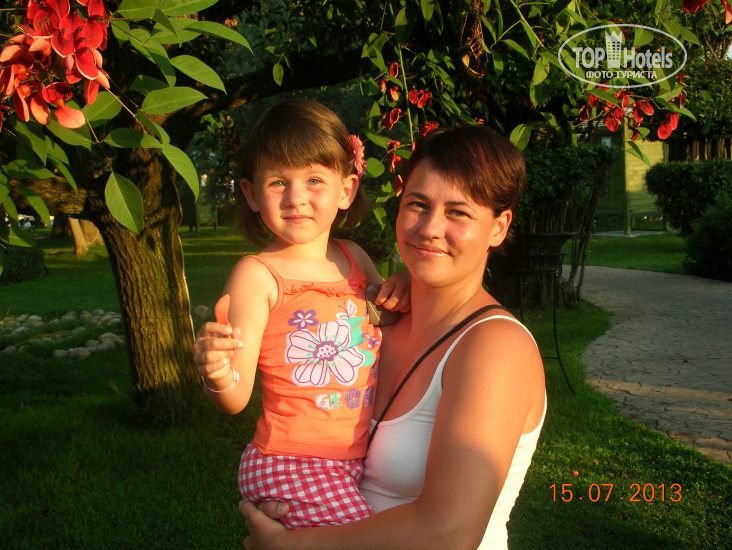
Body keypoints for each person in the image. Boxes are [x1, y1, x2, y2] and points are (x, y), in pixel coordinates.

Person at [196, 124, 546, 549]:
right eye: (417, 204)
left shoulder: (495, 348)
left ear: (498, 226)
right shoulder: (373, 325)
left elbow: (449, 533)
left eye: (458, 212)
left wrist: (292, 546)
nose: (430, 228)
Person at [193, 100, 410, 530]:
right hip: (291, 462)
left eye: (314, 179)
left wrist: (403, 287)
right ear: (251, 193)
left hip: (352, 459)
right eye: (278, 182)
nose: (296, 198)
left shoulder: (354, 257)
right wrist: (216, 374)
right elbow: (235, 400)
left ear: (346, 190)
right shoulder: (257, 276)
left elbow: (384, 316)